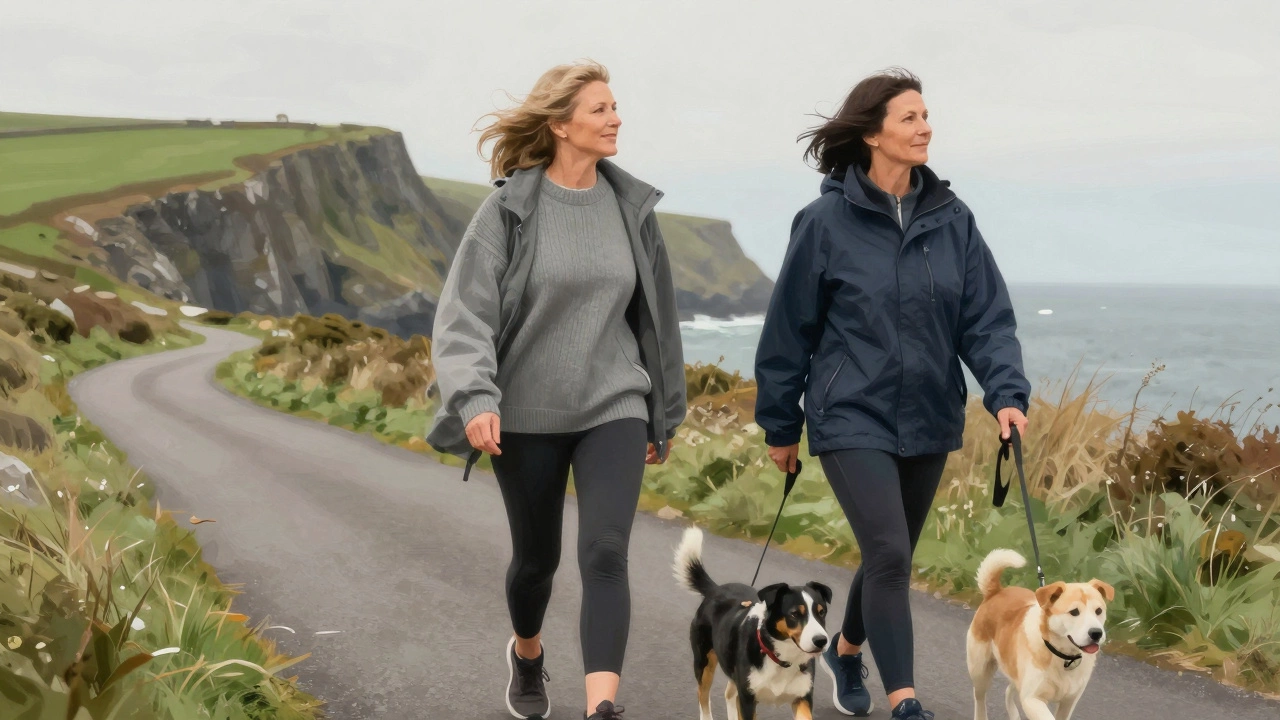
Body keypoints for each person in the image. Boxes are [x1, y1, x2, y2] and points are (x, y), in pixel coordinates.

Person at [753, 68, 1031, 720]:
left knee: (891, 554)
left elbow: (985, 320)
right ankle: (904, 698)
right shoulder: (824, 222)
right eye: (909, 117)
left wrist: (1006, 393)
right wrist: (779, 424)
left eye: (927, 115)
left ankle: (846, 650)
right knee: (888, 552)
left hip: (930, 412)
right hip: (849, 412)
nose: (925, 126)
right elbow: (788, 328)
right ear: (873, 132)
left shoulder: (953, 222)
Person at [425, 60, 688, 720]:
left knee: (605, 552)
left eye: (615, 106)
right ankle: (528, 653)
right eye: (600, 109)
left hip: (614, 404)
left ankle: (602, 708)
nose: (616, 118)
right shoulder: (509, 209)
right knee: (536, 562)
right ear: (560, 125)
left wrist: (663, 412)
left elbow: (657, 320)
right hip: (526, 412)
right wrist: (477, 398)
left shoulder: (632, 209)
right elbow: (464, 315)